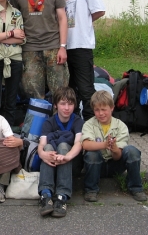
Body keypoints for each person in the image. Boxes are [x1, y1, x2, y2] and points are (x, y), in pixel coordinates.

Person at [47, 0, 106, 120]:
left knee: (86, 88)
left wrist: (83, 23)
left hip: (80, 44)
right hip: (59, 46)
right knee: (68, 90)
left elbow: (99, 10)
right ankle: (73, 124)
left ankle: (91, 124)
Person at [10, 0, 69, 100]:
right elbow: (14, 19)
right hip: (29, 49)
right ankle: (39, 124)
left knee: (60, 93)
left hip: (54, 47)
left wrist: (63, 47)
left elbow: (62, 18)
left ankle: (57, 123)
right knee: (34, 95)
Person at [82, 90, 147, 202]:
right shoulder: (88, 124)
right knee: (92, 154)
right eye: (97, 110)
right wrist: (104, 144)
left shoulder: (121, 126)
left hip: (115, 164)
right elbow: (85, 144)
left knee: (132, 151)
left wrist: (114, 148)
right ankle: (91, 190)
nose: (101, 113)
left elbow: (117, 157)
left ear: (112, 108)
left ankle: (136, 188)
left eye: (104, 109)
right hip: (97, 166)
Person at [38, 87, 84, 218]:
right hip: (52, 163)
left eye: (70, 104)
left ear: (74, 105)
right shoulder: (49, 122)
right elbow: (41, 144)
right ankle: (45, 195)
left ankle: (61, 196)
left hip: (71, 163)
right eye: (63, 103)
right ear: (55, 105)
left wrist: (67, 157)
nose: (66, 108)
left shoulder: (77, 121)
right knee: (47, 148)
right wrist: (43, 155)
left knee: (63, 145)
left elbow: (78, 143)